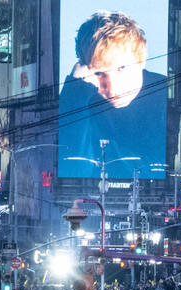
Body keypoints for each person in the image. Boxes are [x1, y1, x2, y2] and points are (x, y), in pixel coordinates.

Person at [58, 11, 167, 179]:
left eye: (121, 68)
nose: (112, 87)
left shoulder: (164, 94)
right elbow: (75, 171)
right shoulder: (82, 98)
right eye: (99, 73)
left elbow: (158, 171)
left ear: (142, 60)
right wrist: (75, 91)